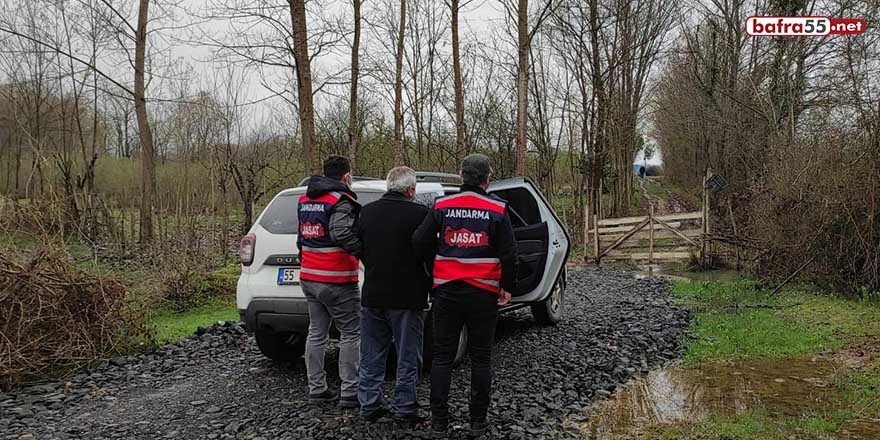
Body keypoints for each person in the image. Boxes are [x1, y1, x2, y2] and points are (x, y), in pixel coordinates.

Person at [412, 153, 518, 436]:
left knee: (443, 357)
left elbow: (419, 240)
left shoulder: (442, 205)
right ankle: (478, 423)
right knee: (482, 358)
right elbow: (510, 254)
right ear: (487, 179)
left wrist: (432, 268)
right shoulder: (497, 209)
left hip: (446, 291)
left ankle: (439, 423)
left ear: (461, 174)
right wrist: (507, 287)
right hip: (484, 293)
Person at [355, 166, 432, 423]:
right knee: (408, 355)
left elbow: (358, 246)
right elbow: (427, 252)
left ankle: (368, 404)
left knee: (371, 354)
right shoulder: (420, 214)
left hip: (373, 293)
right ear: (411, 190)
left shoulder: (366, 212)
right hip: (407, 297)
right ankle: (405, 407)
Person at [297, 155, 362, 408]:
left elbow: (302, 237)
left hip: (309, 276)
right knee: (351, 333)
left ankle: (317, 389)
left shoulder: (304, 200)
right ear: (346, 176)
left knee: (316, 332)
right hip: (337, 279)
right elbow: (341, 232)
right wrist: (363, 251)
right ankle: (350, 392)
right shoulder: (342, 200)